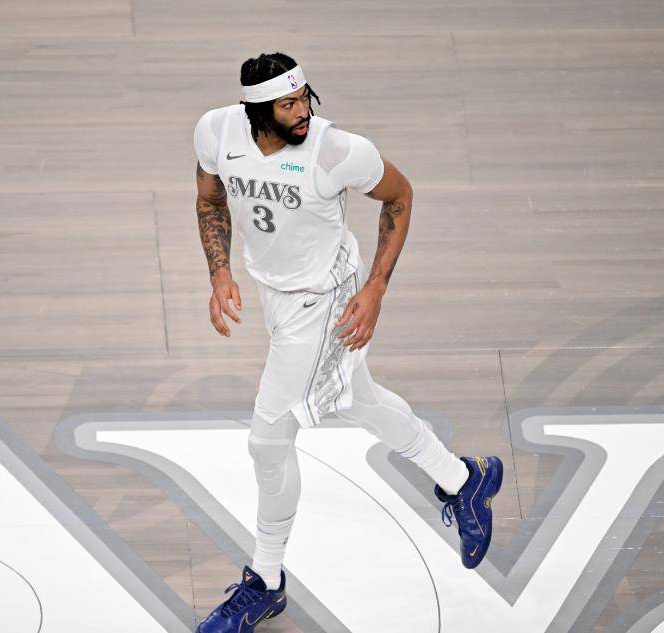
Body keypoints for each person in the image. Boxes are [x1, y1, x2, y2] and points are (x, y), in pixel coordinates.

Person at [192, 52, 502, 633]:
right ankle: (465, 479)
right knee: (357, 399)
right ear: (256, 112)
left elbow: (400, 195)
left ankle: (266, 581)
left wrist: (376, 287)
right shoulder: (217, 131)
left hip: (325, 299)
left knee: (268, 438)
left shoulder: (336, 151)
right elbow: (210, 200)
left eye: (305, 98)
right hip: (275, 293)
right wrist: (219, 271)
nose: (302, 112)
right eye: (288, 104)